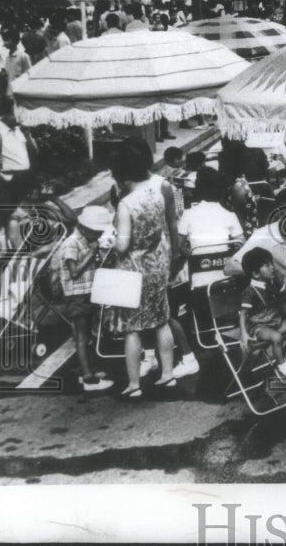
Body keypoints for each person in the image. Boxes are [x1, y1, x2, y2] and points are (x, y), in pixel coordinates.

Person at [106, 144, 177, 398]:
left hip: (132, 269)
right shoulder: (156, 194)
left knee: (131, 327)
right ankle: (168, 373)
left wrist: (109, 241)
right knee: (161, 320)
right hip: (157, 263)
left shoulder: (126, 204)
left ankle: (134, 384)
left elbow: (122, 244)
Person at [224, 188, 286, 362]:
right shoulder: (263, 236)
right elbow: (229, 267)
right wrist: (262, 271)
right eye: (284, 213)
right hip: (278, 297)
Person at [50, 205, 115, 392]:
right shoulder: (72, 243)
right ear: (86, 229)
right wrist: (92, 252)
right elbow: (74, 272)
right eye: (96, 232)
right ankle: (88, 378)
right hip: (77, 296)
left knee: (92, 334)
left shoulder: (86, 240)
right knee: (81, 336)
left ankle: (91, 369)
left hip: (89, 292)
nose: (98, 236)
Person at [234, 247, 286, 382]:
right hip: (259, 328)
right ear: (256, 274)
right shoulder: (250, 291)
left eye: (271, 263)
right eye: (267, 265)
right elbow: (243, 313)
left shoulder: (271, 283)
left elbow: (283, 296)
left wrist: (281, 282)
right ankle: (283, 368)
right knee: (276, 337)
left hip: (275, 322)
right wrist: (244, 334)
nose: (272, 267)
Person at [0, 97, 37, 238]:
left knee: (25, 220)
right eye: (18, 110)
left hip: (24, 179)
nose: (21, 115)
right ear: (8, 113)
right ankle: (14, 254)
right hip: (9, 181)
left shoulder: (17, 130)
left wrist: (28, 135)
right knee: (11, 220)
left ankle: (23, 251)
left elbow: (32, 153)